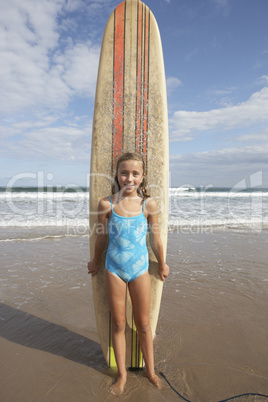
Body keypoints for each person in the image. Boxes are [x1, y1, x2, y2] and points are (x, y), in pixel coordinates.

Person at [87, 152, 169, 396]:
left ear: (142, 177)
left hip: (140, 269)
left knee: (144, 324)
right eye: (124, 173)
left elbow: (156, 238)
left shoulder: (148, 204)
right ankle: (122, 376)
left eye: (135, 173)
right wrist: (95, 261)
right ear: (117, 175)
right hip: (113, 268)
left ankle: (150, 371)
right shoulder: (107, 203)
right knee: (119, 323)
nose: (129, 178)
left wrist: (162, 263)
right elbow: (101, 236)